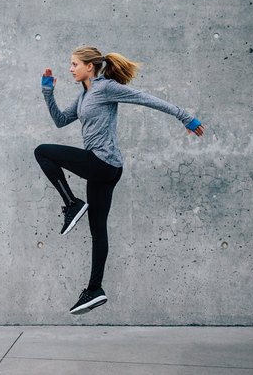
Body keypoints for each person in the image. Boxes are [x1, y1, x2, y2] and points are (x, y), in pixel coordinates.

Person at [35, 46, 204, 315]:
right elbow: (60, 120)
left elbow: (146, 98)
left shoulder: (105, 88)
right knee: (98, 231)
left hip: (101, 163)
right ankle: (94, 289)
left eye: (74, 64)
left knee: (42, 151)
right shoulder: (85, 96)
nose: (70, 69)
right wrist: (48, 92)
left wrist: (186, 117)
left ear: (90, 66)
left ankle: (72, 204)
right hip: (107, 168)